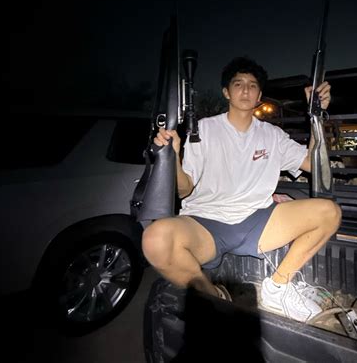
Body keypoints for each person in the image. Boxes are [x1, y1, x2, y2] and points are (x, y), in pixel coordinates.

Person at [142, 57, 341, 323]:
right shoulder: (203, 129)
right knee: (155, 239)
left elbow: (314, 163)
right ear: (226, 92)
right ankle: (214, 298)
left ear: (259, 95)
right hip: (206, 223)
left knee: (328, 212)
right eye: (238, 84)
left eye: (252, 85)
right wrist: (173, 157)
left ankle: (278, 287)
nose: (246, 90)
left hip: (257, 220)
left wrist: (316, 116)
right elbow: (184, 190)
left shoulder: (272, 134)